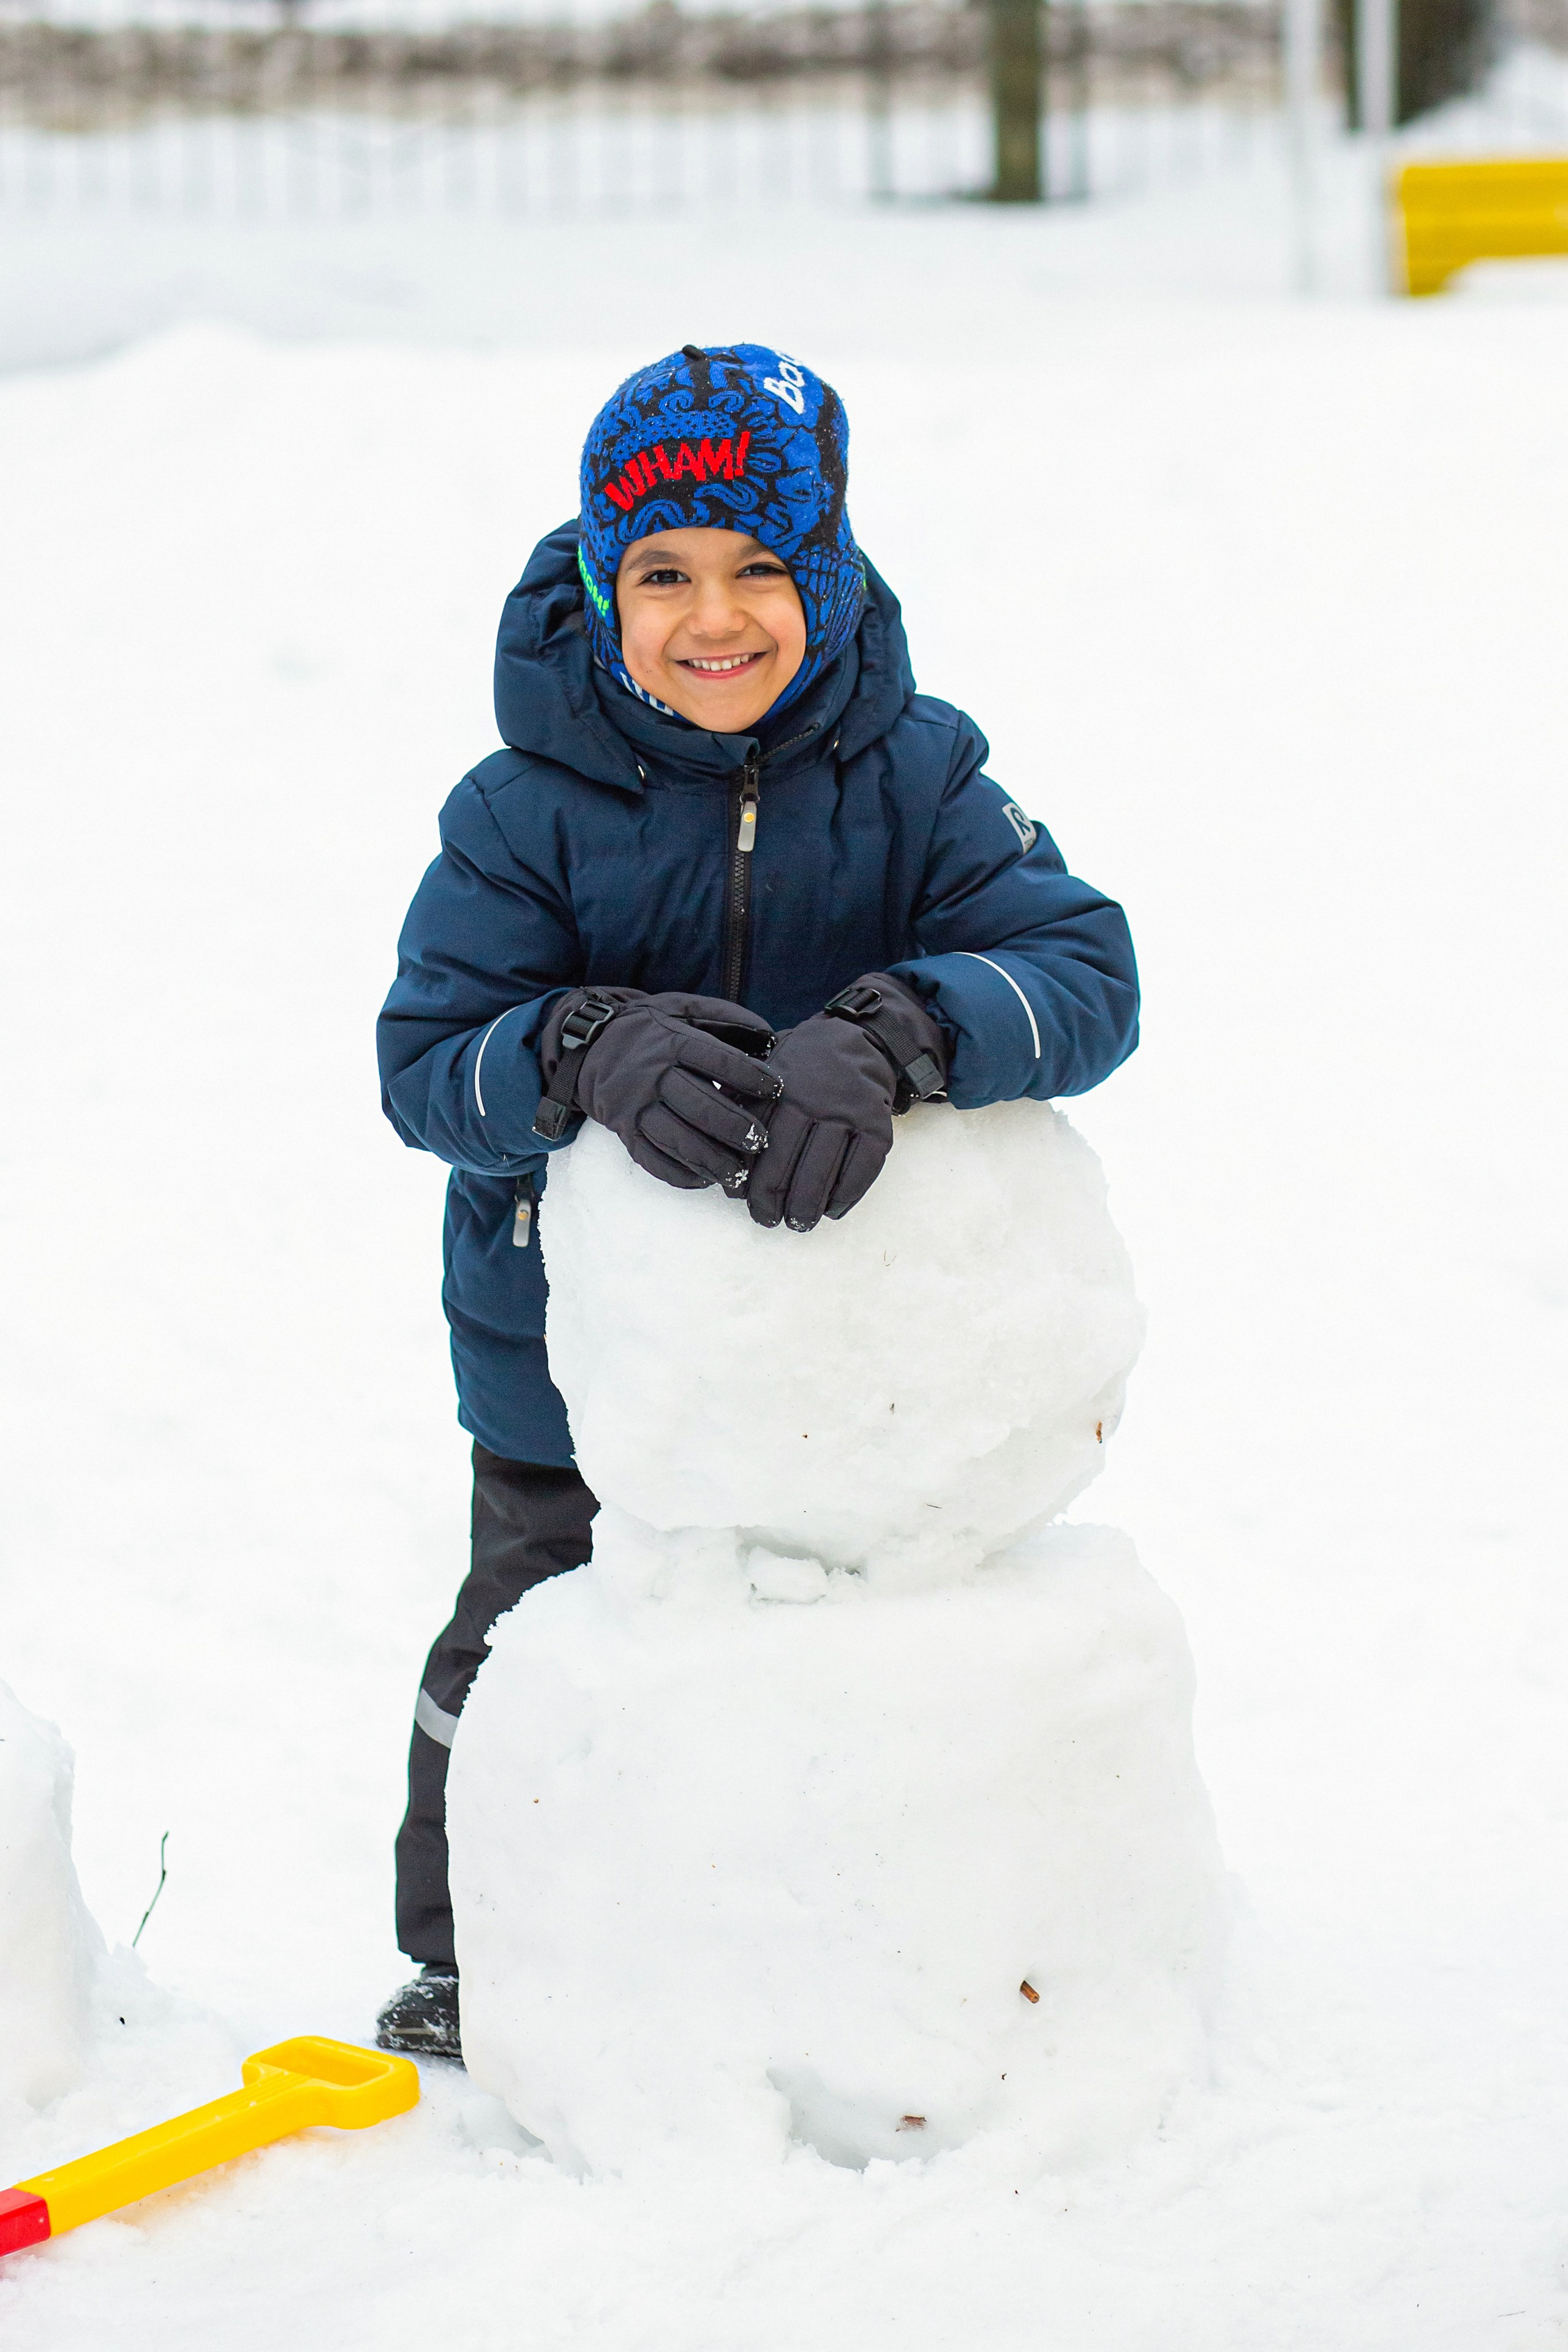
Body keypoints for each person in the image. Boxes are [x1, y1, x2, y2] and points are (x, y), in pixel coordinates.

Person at [373, 342, 1139, 2057]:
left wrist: (909, 1028)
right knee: (530, 1634)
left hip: (859, 1364)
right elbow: (426, 1066)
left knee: (851, 1660)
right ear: (601, 584)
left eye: (759, 568)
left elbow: (1087, 976)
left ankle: (866, 1949)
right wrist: (579, 1044)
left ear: (831, 574)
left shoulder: (922, 777)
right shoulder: (520, 814)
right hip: (570, 1369)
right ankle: (469, 1952)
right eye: (661, 573)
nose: (711, 618)